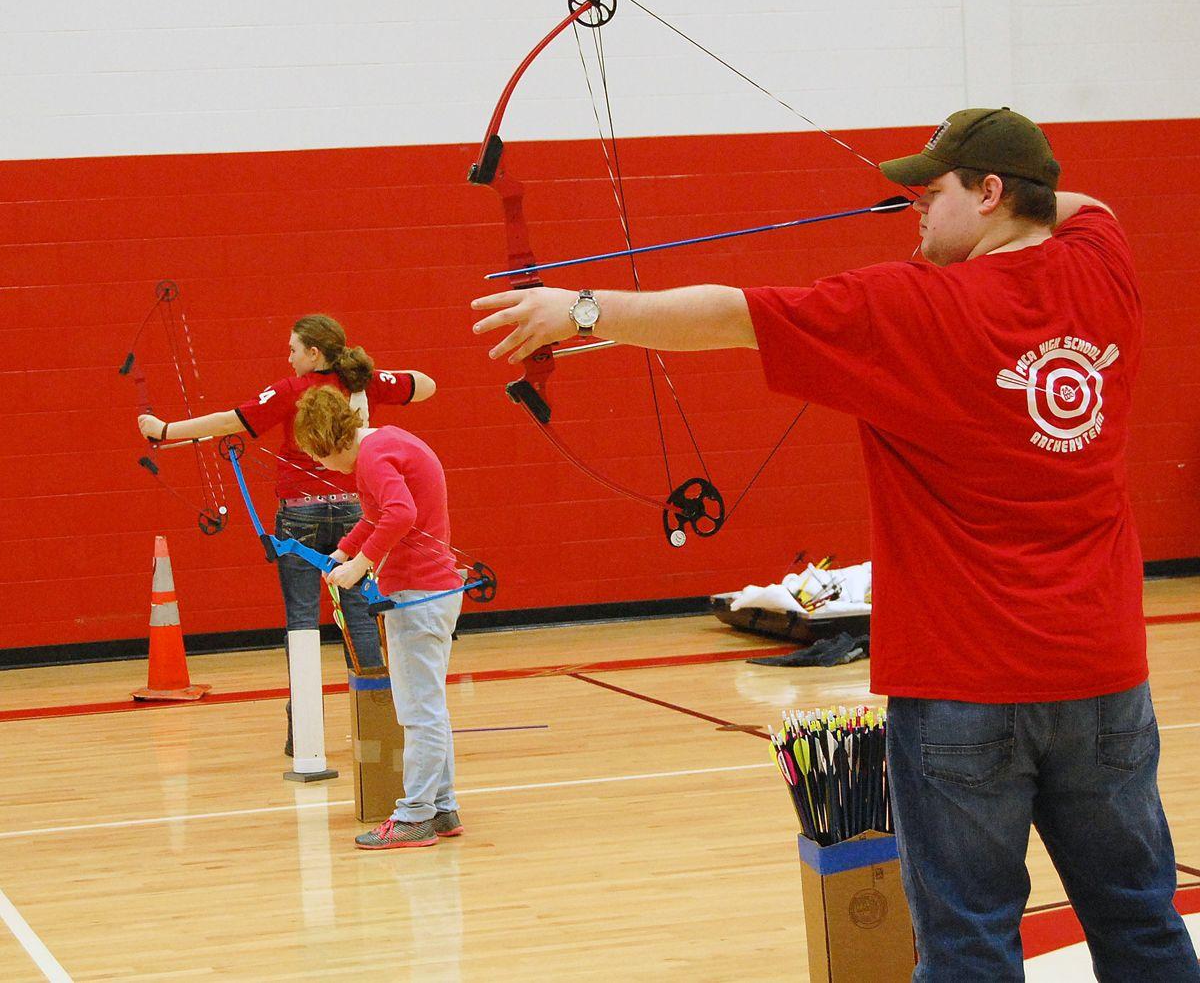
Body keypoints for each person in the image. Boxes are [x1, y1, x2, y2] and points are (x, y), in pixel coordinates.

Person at [470, 108, 1200, 980]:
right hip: (1104, 678)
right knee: (1142, 929)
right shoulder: (1102, 263)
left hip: (962, 689)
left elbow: (727, 314)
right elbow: (1085, 205)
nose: (914, 210)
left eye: (932, 193)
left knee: (968, 947)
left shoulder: (909, 306)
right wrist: (1005, 207)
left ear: (993, 192)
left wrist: (582, 310)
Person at [137, 314, 434, 755]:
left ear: (315, 353)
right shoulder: (362, 384)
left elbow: (227, 421)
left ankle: (304, 738)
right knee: (360, 619)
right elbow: (425, 385)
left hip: (300, 518)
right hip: (357, 514)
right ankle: (376, 729)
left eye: (294, 348)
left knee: (301, 623)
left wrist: (165, 432)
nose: (288, 356)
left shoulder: (294, 390)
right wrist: (374, 377)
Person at [294, 385, 466, 850]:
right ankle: (442, 807)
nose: (319, 465)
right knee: (427, 705)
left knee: (418, 711)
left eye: (317, 455)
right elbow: (377, 516)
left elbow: (400, 513)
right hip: (427, 592)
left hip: (420, 594)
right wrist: (345, 549)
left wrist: (360, 565)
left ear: (330, 442)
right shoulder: (381, 445)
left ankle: (414, 816)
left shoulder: (372, 455)